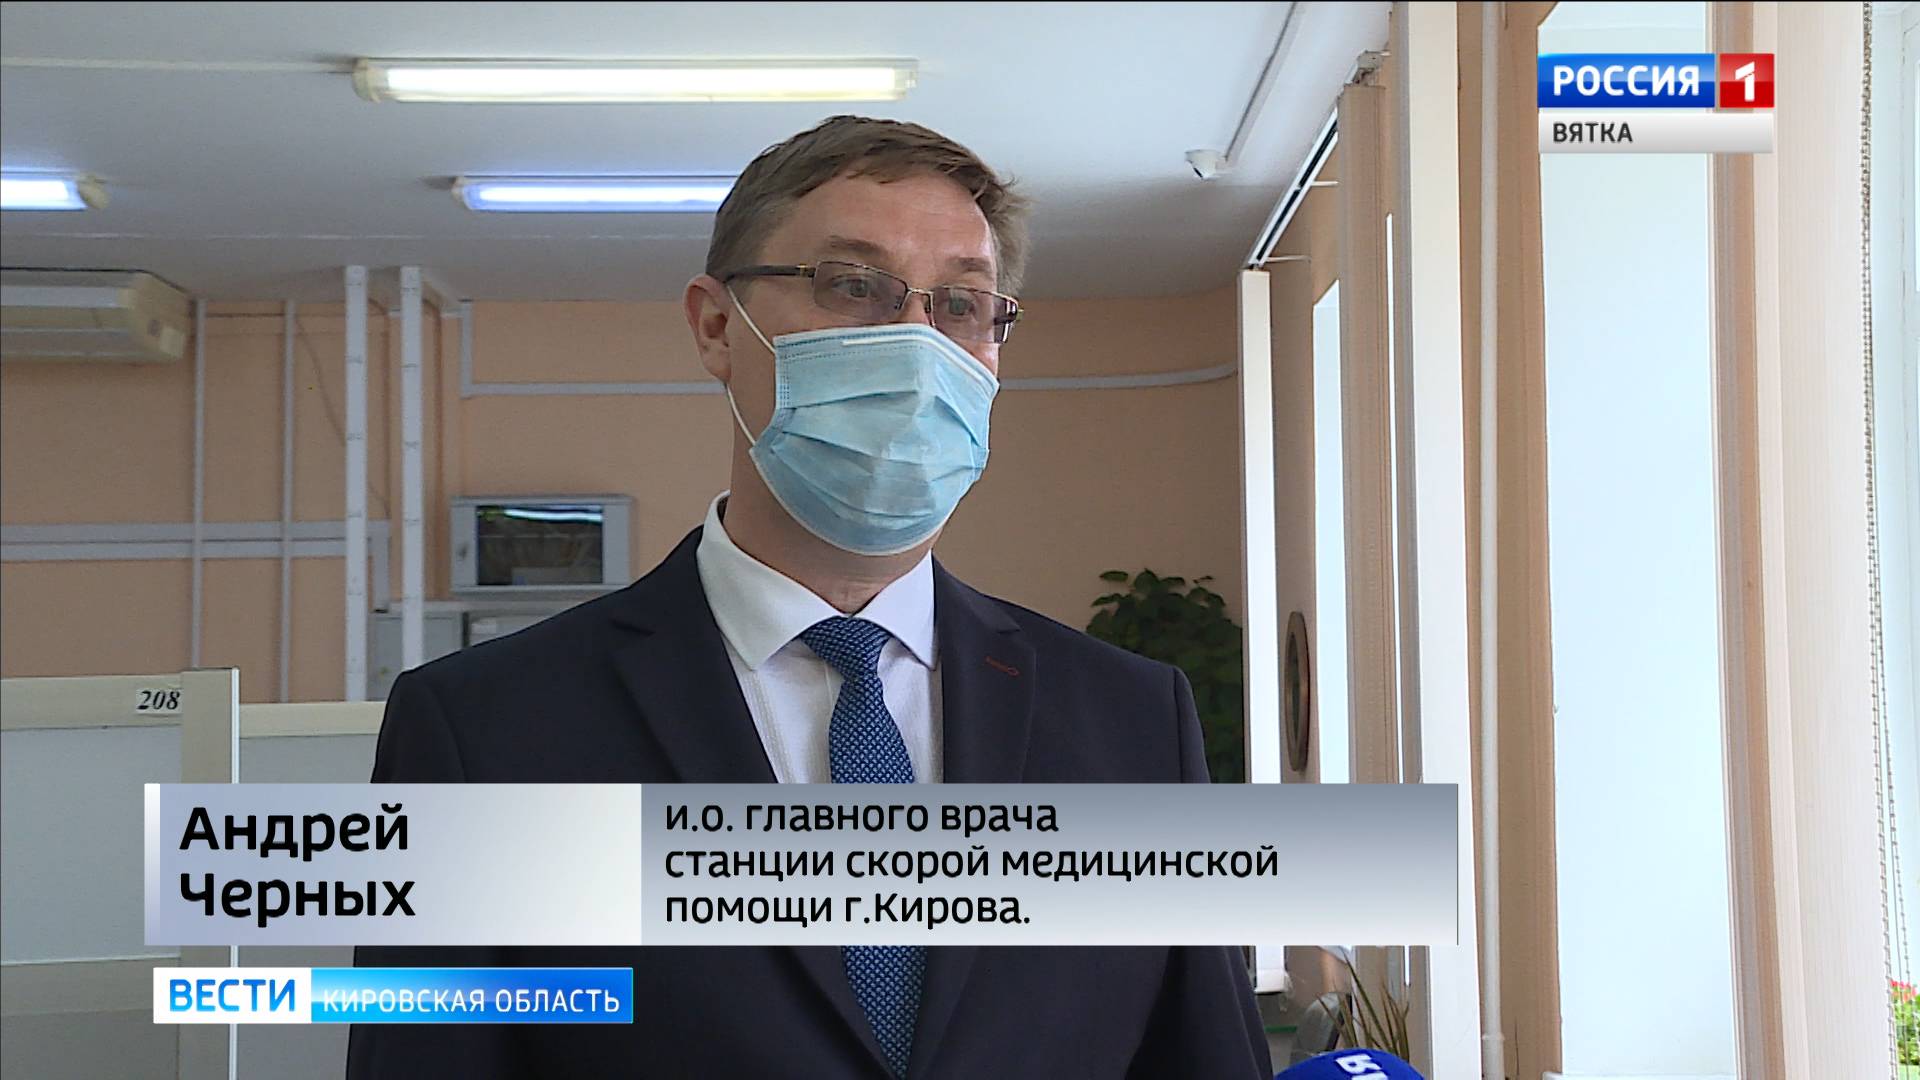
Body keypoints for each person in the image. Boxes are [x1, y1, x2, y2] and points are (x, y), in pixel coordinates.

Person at [347, 114, 1271, 1080]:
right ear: (716, 326)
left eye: (962, 304)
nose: (916, 347)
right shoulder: (487, 732)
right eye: (853, 286)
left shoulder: (1132, 723)